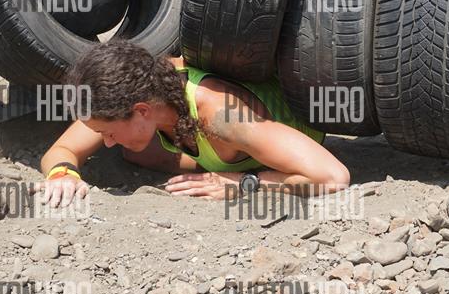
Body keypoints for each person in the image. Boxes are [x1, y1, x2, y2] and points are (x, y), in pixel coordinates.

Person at [37, 40, 350, 207]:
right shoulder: (139, 87)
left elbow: (333, 177)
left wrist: (246, 183)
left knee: (135, 151)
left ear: (141, 110)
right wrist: (62, 174)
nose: (105, 141)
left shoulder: (224, 117)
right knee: (133, 153)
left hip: (292, 130)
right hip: (207, 143)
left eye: (107, 132)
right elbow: (62, 150)